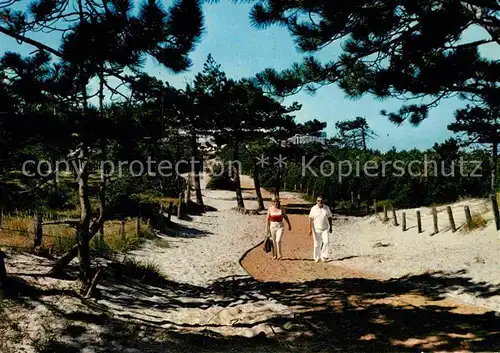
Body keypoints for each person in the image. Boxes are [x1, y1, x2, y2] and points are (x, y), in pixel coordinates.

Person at [265, 195, 292, 260]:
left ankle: (279, 254)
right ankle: (274, 255)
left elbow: (285, 217)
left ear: (278, 201)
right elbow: (267, 219)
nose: (275, 202)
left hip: (280, 226)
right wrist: (267, 229)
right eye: (274, 201)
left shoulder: (281, 208)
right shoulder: (270, 209)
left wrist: (289, 224)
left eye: (276, 201)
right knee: (273, 241)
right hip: (272, 226)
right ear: (272, 202)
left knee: (278, 240)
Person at [308, 195, 333, 262]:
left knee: (326, 242)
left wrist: (331, 227)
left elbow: (330, 217)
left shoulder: (326, 208)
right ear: (317, 201)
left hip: (325, 228)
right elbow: (310, 219)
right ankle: (316, 257)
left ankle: (323, 256)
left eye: (321, 201)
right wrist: (310, 229)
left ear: (323, 201)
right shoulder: (313, 208)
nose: (320, 202)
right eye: (318, 201)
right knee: (317, 244)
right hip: (316, 229)